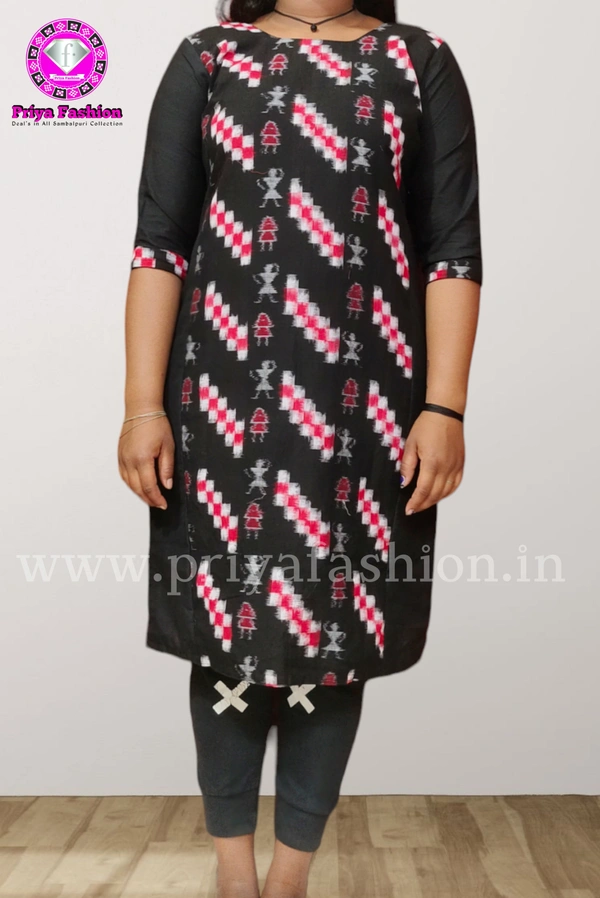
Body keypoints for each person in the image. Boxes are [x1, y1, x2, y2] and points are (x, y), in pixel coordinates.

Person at [119, 0, 482, 895]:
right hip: (219, 402)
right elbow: (160, 244)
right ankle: (233, 876)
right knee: (226, 631)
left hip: (365, 406)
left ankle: (290, 879)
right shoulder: (209, 59)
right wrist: (141, 406)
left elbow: (452, 250)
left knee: (337, 633)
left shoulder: (420, 61)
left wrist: (445, 406)